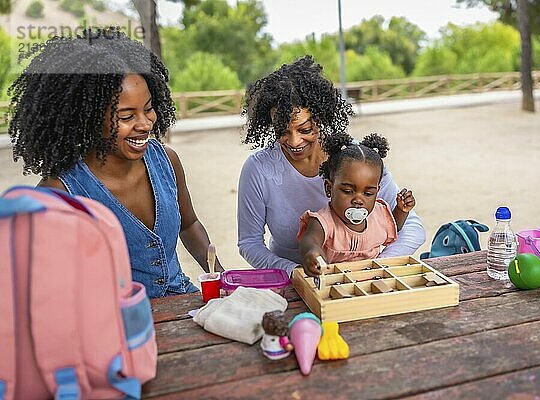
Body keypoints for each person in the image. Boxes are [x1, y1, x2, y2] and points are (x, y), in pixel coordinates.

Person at [8, 28, 221, 298]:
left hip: (182, 301)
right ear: (88, 117)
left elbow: (189, 225)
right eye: (126, 116)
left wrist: (224, 280)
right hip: (115, 324)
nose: (145, 124)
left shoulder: (167, 160)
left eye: (148, 108)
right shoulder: (60, 193)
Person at [238, 55, 425, 276]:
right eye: (282, 132)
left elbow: (412, 228)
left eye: (305, 130)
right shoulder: (259, 169)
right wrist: (294, 271)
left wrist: (371, 269)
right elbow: (249, 243)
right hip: (291, 281)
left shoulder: (356, 161)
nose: (294, 141)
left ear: (321, 117)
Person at [298, 132, 416, 276]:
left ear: (377, 191)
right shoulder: (323, 221)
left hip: (370, 278)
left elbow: (394, 227)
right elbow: (311, 239)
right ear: (329, 188)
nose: (358, 200)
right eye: (348, 191)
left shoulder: (379, 214)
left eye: (368, 193)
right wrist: (312, 252)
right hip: (334, 283)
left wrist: (401, 210)